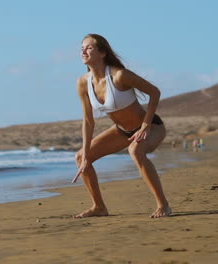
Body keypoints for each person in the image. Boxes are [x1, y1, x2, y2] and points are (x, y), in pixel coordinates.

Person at [72, 34, 171, 218]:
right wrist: (86, 153)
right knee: (80, 158)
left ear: (102, 53)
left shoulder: (119, 75)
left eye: (89, 47)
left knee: (135, 151)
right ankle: (99, 207)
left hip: (151, 127)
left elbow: (154, 92)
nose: (83, 51)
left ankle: (163, 205)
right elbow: (88, 120)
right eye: (82, 47)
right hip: (122, 131)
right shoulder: (82, 83)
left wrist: (145, 126)